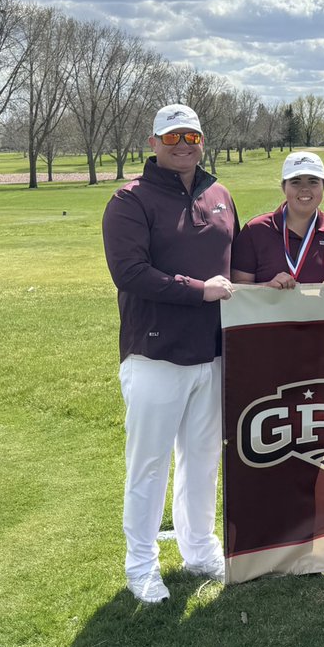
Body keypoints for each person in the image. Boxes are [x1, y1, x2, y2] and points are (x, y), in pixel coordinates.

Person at [101, 103, 238, 604]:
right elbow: (130, 273)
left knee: (202, 460)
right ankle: (141, 563)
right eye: (173, 137)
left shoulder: (219, 193)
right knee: (149, 464)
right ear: (153, 142)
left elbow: (236, 268)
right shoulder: (129, 200)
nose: (184, 145)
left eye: (192, 136)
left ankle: (199, 548)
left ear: (202, 140)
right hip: (155, 352)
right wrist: (198, 289)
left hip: (212, 352)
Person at [230, 150, 324, 287]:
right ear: (283, 187)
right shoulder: (255, 230)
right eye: (295, 182)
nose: (304, 189)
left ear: (323, 186)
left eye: (313, 182)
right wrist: (267, 287)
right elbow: (238, 287)